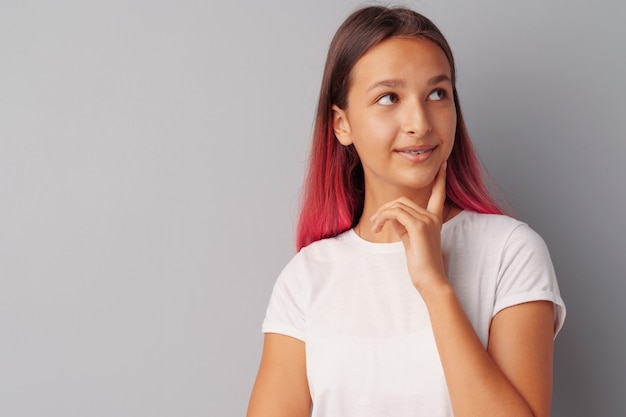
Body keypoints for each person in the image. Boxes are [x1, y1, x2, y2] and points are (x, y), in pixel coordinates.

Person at [247, 5, 565, 417]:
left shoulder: (510, 251)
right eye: (388, 98)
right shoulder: (307, 278)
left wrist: (435, 286)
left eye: (437, 93)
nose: (419, 122)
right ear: (342, 124)